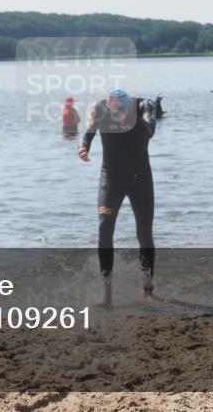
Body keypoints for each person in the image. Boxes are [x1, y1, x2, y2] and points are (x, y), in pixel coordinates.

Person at [78, 88, 158, 307]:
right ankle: (107, 294)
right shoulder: (100, 108)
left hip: (141, 178)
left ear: (130, 104)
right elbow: (89, 130)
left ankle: (148, 288)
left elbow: (151, 128)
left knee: (144, 231)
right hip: (111, 179)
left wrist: (135, 120)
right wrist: (84, 145)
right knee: (104, 226)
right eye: (116, 111)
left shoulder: (144, 106)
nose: (119, 115)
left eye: (123, 110)